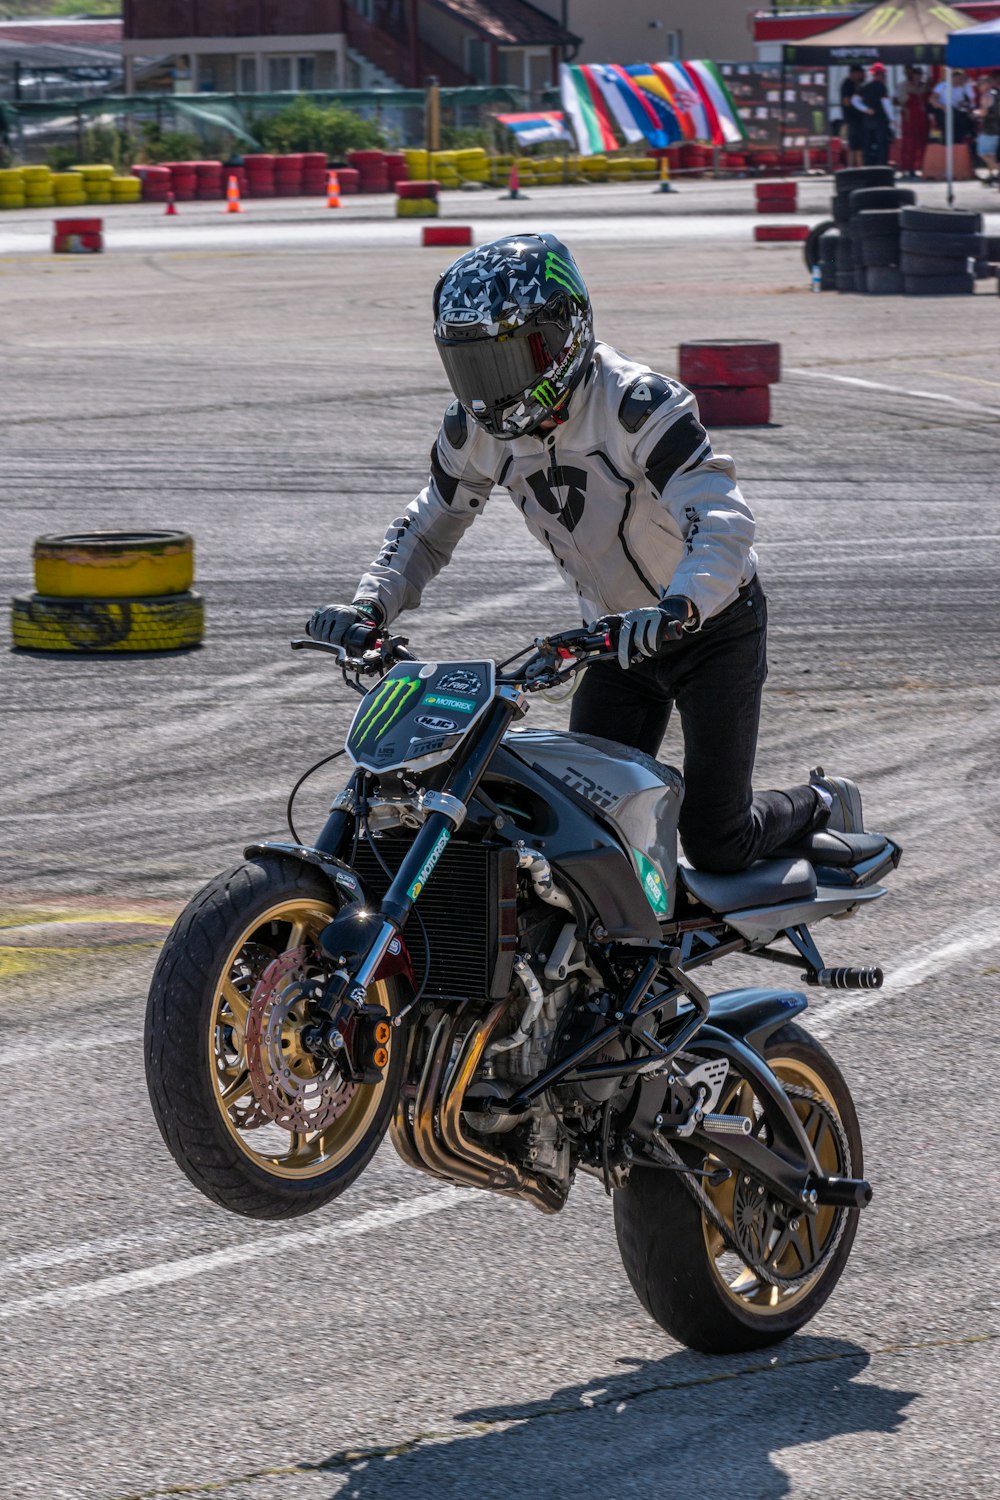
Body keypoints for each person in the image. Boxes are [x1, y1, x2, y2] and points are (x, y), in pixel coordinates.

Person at [308, 234, 863, 874]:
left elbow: (721, 518)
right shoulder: (474, 431)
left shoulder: (636, 405)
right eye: (472, 366)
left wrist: (684, 606)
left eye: (507, 360)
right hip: (611, 642)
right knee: (580, 835)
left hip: (711, 629)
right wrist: (368, 608)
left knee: (716, 840)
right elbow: (428, 527)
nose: (489, 389)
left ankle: (823, 800)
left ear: (564, 334)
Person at [895, 64, 930, 178]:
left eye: (919, 75)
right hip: (909, 118)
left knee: (923, 142)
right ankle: (908, 168)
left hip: (923, 118)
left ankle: (922, 166)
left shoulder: (925, 86)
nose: (917, 77)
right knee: (909, 143)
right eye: (915, 74)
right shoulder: (903, 86)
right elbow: (900, 101)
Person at [860, 62, 894, 166]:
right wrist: (892, 118)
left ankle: (868, 166)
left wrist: (866, 109)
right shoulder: (882, 87)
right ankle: (882, 166)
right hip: (880, 121)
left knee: (868, 145)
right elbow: (886, 103)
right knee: (882, 145)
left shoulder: (865, 87)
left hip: (868, 121)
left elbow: (854, 100)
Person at [839, 64, 868, 167]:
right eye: (860, 74)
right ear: (854, 73)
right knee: (854, 146)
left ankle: (860, 166)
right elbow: (846, 101)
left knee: (860, 146)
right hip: (852, 119)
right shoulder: (847, 84)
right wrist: (857, 102)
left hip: (860, 119)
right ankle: (851, 167)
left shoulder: (859, 84)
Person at [977, 69, 1000, 186]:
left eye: (980, 83)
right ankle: (992, 176)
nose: (978, 86)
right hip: (997, 127)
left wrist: (976, 113)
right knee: (992, 154)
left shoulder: (986, 96)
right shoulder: (997, 94)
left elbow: (984, 113)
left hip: (988, 128)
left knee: (983, 153)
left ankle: (997, 171)